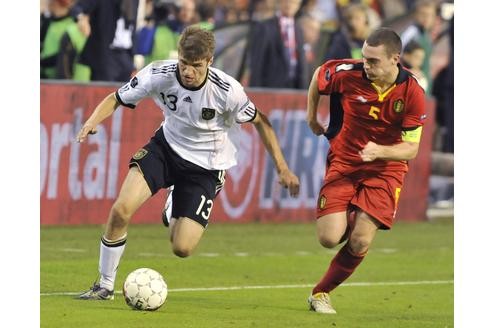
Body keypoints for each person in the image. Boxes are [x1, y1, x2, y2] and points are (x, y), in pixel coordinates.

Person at [76, 26, 300, 300]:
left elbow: (261, 122)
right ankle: (105, 285)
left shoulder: (228, 90)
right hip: (166, 149)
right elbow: (116, 98)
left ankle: (174, 202)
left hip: (206, 167)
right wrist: (91, 122)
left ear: (209, 61)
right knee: (121, 209)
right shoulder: (158, 73)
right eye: (184, 63)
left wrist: (282, 167)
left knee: (182, 247)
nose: (188, 71)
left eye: (195, 65)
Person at [305, 27, 426, 314]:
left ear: (395, 59)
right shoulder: (348, 73)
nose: (366, 65)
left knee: (359, 240)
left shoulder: (412, 91)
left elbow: (411, 149)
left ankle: (320, 293)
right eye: (364, 58)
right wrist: (312, 116)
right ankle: (353, 211)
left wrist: (379, 151)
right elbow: (318, 75)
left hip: (386, 170)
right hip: (345, 162)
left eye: (373, 61)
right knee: (328, 238)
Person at [248, 0, 308, 89]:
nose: (290, 5)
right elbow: (257, 63)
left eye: (294, 2)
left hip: (294, 88)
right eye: (287, 1)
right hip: (270, 88)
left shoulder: (299, 30)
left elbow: (301, 63)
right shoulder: (265, 27)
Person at [400, 0, 437, 95]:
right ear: (416, 15)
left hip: (423, 86)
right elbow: (398, 57)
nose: (426, 18)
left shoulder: (426, 34)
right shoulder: (411, 33)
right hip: (412, 87)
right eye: (423, 14)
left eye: (430, 15)